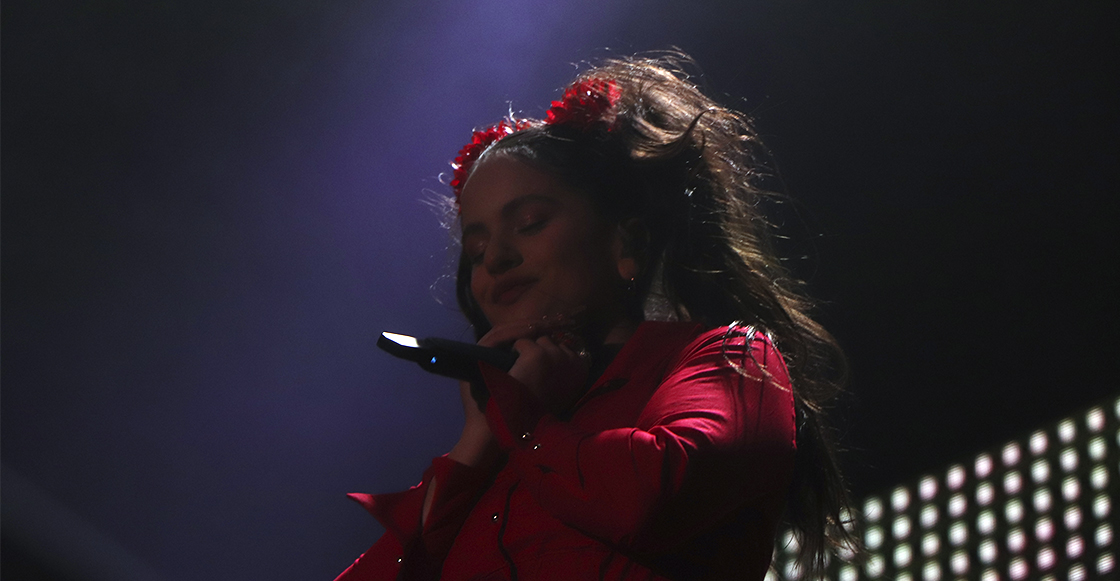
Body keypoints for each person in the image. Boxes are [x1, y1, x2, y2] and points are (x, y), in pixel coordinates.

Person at [336, 54, 857, 581]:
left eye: (531, 223)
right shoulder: (498, 442)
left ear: (624, 241)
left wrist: (529, 425)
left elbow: (658, 498)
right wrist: (478, 444)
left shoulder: (726, 356)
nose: (495, 259)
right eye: (476, 251)